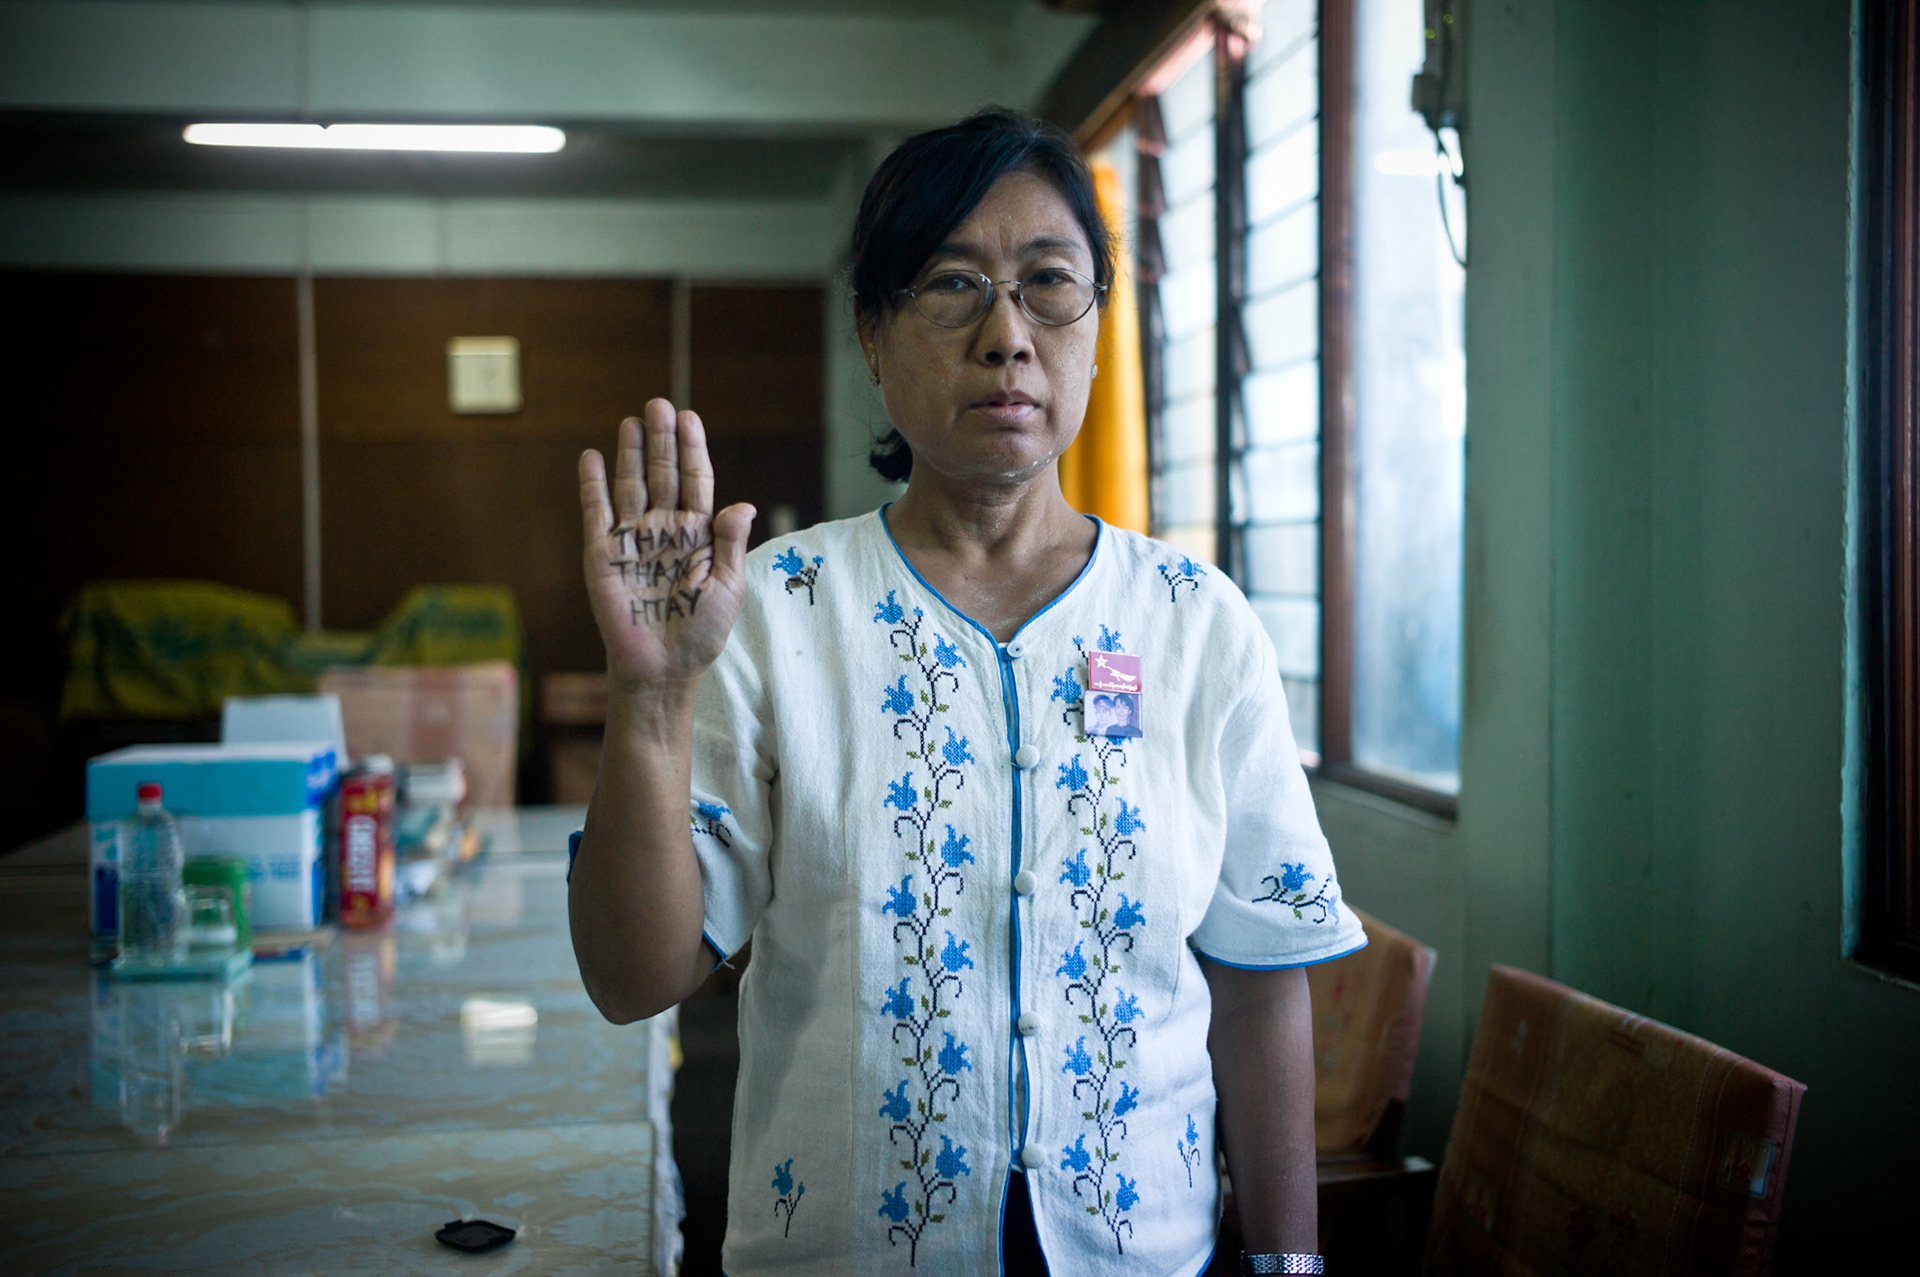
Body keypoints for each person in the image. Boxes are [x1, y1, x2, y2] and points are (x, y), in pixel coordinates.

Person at [568, 108, 1364, 1277]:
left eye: (1049, 283)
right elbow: (634, 977)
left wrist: (1292, 1264)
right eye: (952, 285)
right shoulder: (771, 611)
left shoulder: (1198, 624)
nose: (1007, 334)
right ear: (873, 335)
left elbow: (1258, 978)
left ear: (1098, 324)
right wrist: (650, 699)